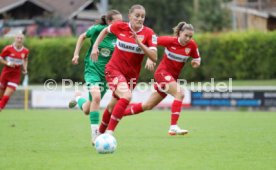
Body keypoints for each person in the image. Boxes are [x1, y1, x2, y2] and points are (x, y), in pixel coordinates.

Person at [123, 22, 201, 135]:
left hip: (171, 79)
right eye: (186, 35)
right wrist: (150, 57)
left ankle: (118, 114)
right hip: (162, 74)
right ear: (180, 33)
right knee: (180, 93)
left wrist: (195, 63)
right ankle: (173, 126)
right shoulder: (169, 41)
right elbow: (151, 43)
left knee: (147, 106)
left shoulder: (192, 45)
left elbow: (197, 59)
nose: (188, 38)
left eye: (190, 36)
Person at [91, 4, 158, 135]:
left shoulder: (149, 33)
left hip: (131, 77)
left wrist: (140, 45)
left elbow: (154, 56)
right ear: (130, 16)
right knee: (127, 96)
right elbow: (105, 31)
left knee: (112, 107)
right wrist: (95, 47)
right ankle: (109, 134)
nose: (140, 19)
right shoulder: (120, 26)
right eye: (137, 16)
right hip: (113, 69)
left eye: (142, 16)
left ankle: (99, 134)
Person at [68, 10, 122, 144]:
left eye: (122, 21)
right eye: (118, 21)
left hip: (106, 74)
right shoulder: (98, 29)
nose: (121, 24)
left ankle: (78, 97)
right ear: (110, 22)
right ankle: (95, 135)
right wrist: (76, 54)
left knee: (88, 108)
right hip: (92, 69)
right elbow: (82, 36)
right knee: (97, 97)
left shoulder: (120, 35)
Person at [0, 33, 29, 111]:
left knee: (7, 94)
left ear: (23, 40)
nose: (19, 40)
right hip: (6, 72)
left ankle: (1, 107)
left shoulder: (25, 51)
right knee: (1, 93)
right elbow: (1, 58)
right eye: (18, 38)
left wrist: (25, 68)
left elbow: (25, 59)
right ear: (15, 39)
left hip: (15, 74)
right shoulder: (8, 49)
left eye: (21, 38)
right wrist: (8, 63)